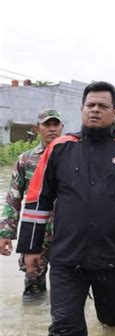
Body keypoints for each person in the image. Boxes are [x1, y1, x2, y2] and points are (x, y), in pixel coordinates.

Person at [16, 81, 115, 336]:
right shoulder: (59, 148)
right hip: (67, 259)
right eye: (90, 105)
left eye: (102, 106)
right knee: (63, 335)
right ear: (81, 109)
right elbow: (38, 198)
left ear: (114, 113)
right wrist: (30, 248)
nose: (95, 110)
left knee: (114, 325)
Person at [0, 109, 64, 301]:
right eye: (47, 125)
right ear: (38, 128)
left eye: (55, 125)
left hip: (68, 232)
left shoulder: (72, 156)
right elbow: (13, 197)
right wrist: (5, 233)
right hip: (37, 232)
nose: (52, 129)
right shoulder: (26, 160)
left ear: (62, 128)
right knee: (33, 287)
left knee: (73, 287)